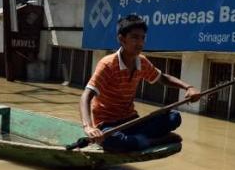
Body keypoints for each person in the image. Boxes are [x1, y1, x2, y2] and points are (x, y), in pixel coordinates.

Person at [80, 14, 201, 152]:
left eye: (143, 38)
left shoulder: (141, 61)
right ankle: (153, 140)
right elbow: (86, 96)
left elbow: (163, 78)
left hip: (131, 121)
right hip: (107, 125)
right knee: (111, 141)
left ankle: (139, 140)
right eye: (135, 37)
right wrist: (88, 127)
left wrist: (188, 87)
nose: (140, 43)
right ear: (121, 39)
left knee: (174, 117)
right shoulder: (107, 65)